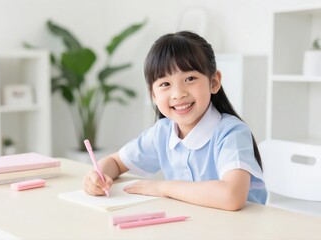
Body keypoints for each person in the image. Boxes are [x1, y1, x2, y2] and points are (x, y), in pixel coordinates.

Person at [82, 31, 267, 211]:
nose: (178, 94)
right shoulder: (162, 132)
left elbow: (231, 196)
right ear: (153, 94)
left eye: (190, 79)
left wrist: (162, 188)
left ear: (214, 82)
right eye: (165, 84)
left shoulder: (231, 133)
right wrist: (98, 176)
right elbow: (115, 162)